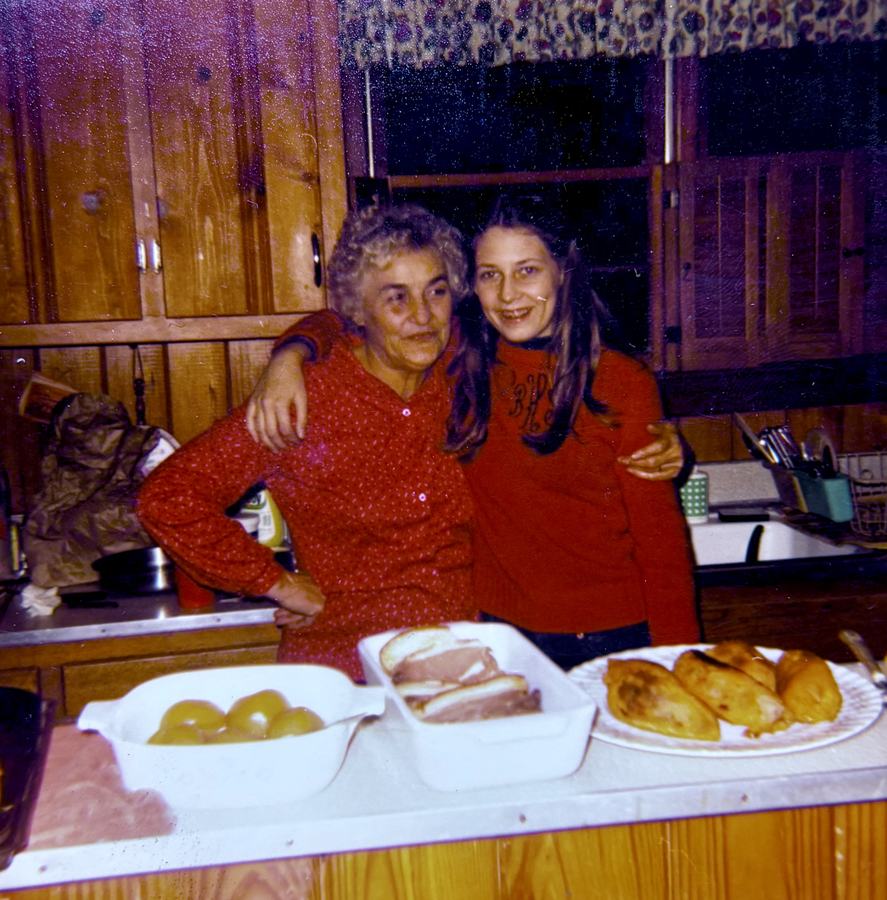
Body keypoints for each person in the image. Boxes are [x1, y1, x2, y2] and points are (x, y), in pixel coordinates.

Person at [247, 198, 699, 669]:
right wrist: (289, 354)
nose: (507, 295)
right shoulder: (457, 359)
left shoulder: (623, 383)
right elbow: (349, 317)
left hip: (612, 641)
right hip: (500, 639)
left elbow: (662, 547)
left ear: (563, 271)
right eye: (490, 275)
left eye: (527, 271)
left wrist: (680, 663)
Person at [137, 204, 477, 680]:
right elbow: (168, 497)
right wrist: (275, 583)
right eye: (396, 298)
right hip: (346, 669)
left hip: (462, 659)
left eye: (436, 291)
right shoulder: (304, 399)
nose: (422, 316)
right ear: (358, 310)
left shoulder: (465, 371)